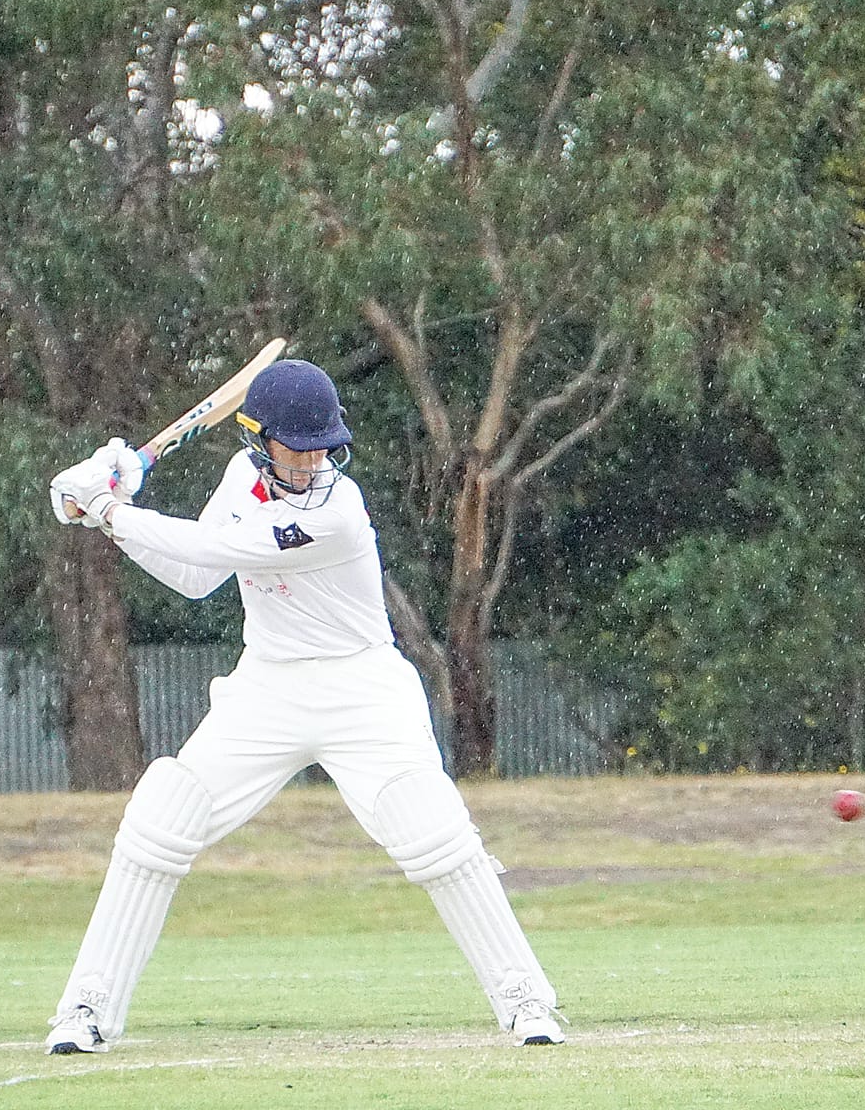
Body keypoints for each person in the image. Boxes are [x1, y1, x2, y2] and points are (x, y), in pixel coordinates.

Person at [41, 358, 564, 1052]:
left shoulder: (339, 514)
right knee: (161, 814)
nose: (314, 457)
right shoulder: (239, 479)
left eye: (324, 443)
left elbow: (212, 544)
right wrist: (114, 522)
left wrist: (109, 507)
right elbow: (198, 576)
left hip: (363, 687)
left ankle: (527, 999)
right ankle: (87, 1007)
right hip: (268, 685)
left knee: (430, 826)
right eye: (299, 444)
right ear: (259, 441)